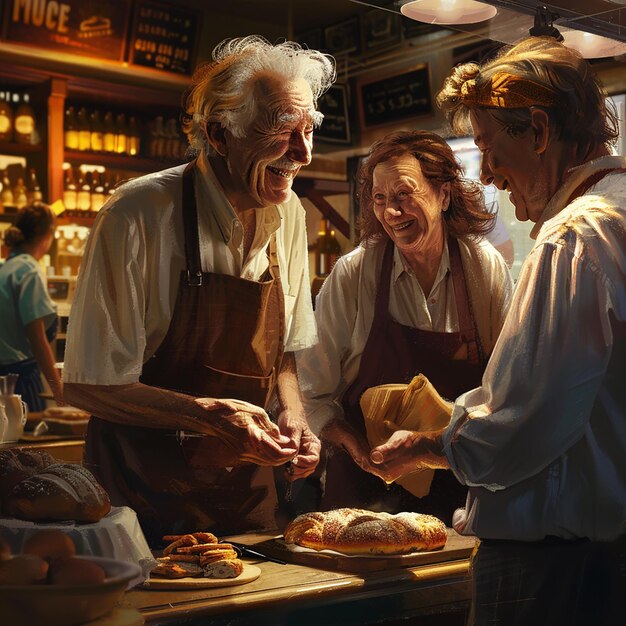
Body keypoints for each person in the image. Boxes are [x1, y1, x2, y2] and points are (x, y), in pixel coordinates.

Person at [370, 36, 626, 624]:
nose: (488, 174)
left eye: (489, 148)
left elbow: (525, 420)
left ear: (538, 132)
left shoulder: (576, 238)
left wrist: (434, 446)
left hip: (553, 569)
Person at [63, 36, 335, 543]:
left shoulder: (291, 214)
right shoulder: (137, 214)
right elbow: (88, 383)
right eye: (280, 129)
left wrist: (295, 415)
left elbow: (285, 359)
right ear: (218, 133)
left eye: (307, 130)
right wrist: (207, 414)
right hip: (142, 504)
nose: (302, 153)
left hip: (249, 503)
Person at [297, 130, 513, 524]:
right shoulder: (355, 273)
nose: (391, 212)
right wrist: (355, 447)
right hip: (363, 491)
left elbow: (508, 390)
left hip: (458, 495)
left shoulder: (483, 268)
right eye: (380, 199)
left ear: (443, 195)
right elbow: (313, 391)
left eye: (403, 195)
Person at [0, 202, 64, 411]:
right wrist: (58, 390)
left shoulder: (4, 268)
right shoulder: (29, 271)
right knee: (27, 441)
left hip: (2, 382)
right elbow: (37, 339)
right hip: (20, 384)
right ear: (48, 236)